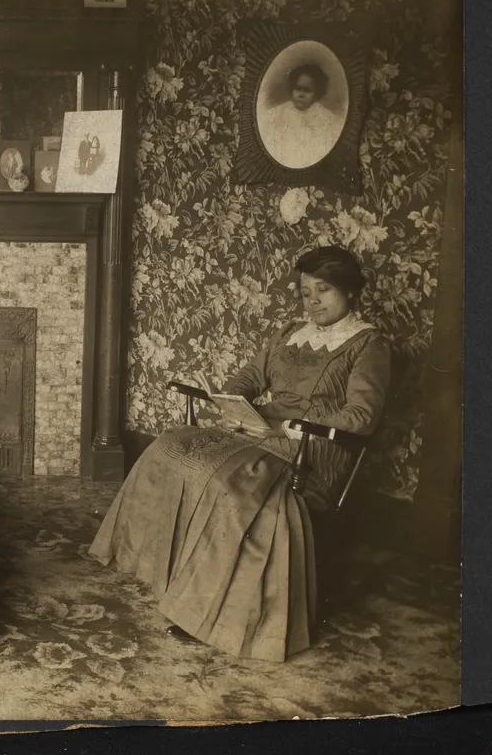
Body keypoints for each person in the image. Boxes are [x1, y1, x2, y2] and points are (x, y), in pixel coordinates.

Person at [89, 246, 391, 662]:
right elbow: (252, 375)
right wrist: (233, 401)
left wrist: (285, 428)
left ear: (351, 292)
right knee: (171, 446)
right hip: (262, 428)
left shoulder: (368, 345)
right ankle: (160, 569)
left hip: (315, 446)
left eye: (324, 290)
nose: (313, 300)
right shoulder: (289, 333)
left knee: (230, 485)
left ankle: (210, 608)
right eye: (306, 292)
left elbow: (361, 416)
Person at [258, 63, 342, 170]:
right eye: (297, 88)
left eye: (307, 90)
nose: (301, 94)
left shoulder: (325, 116)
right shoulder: (278, 112)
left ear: (316, 93)